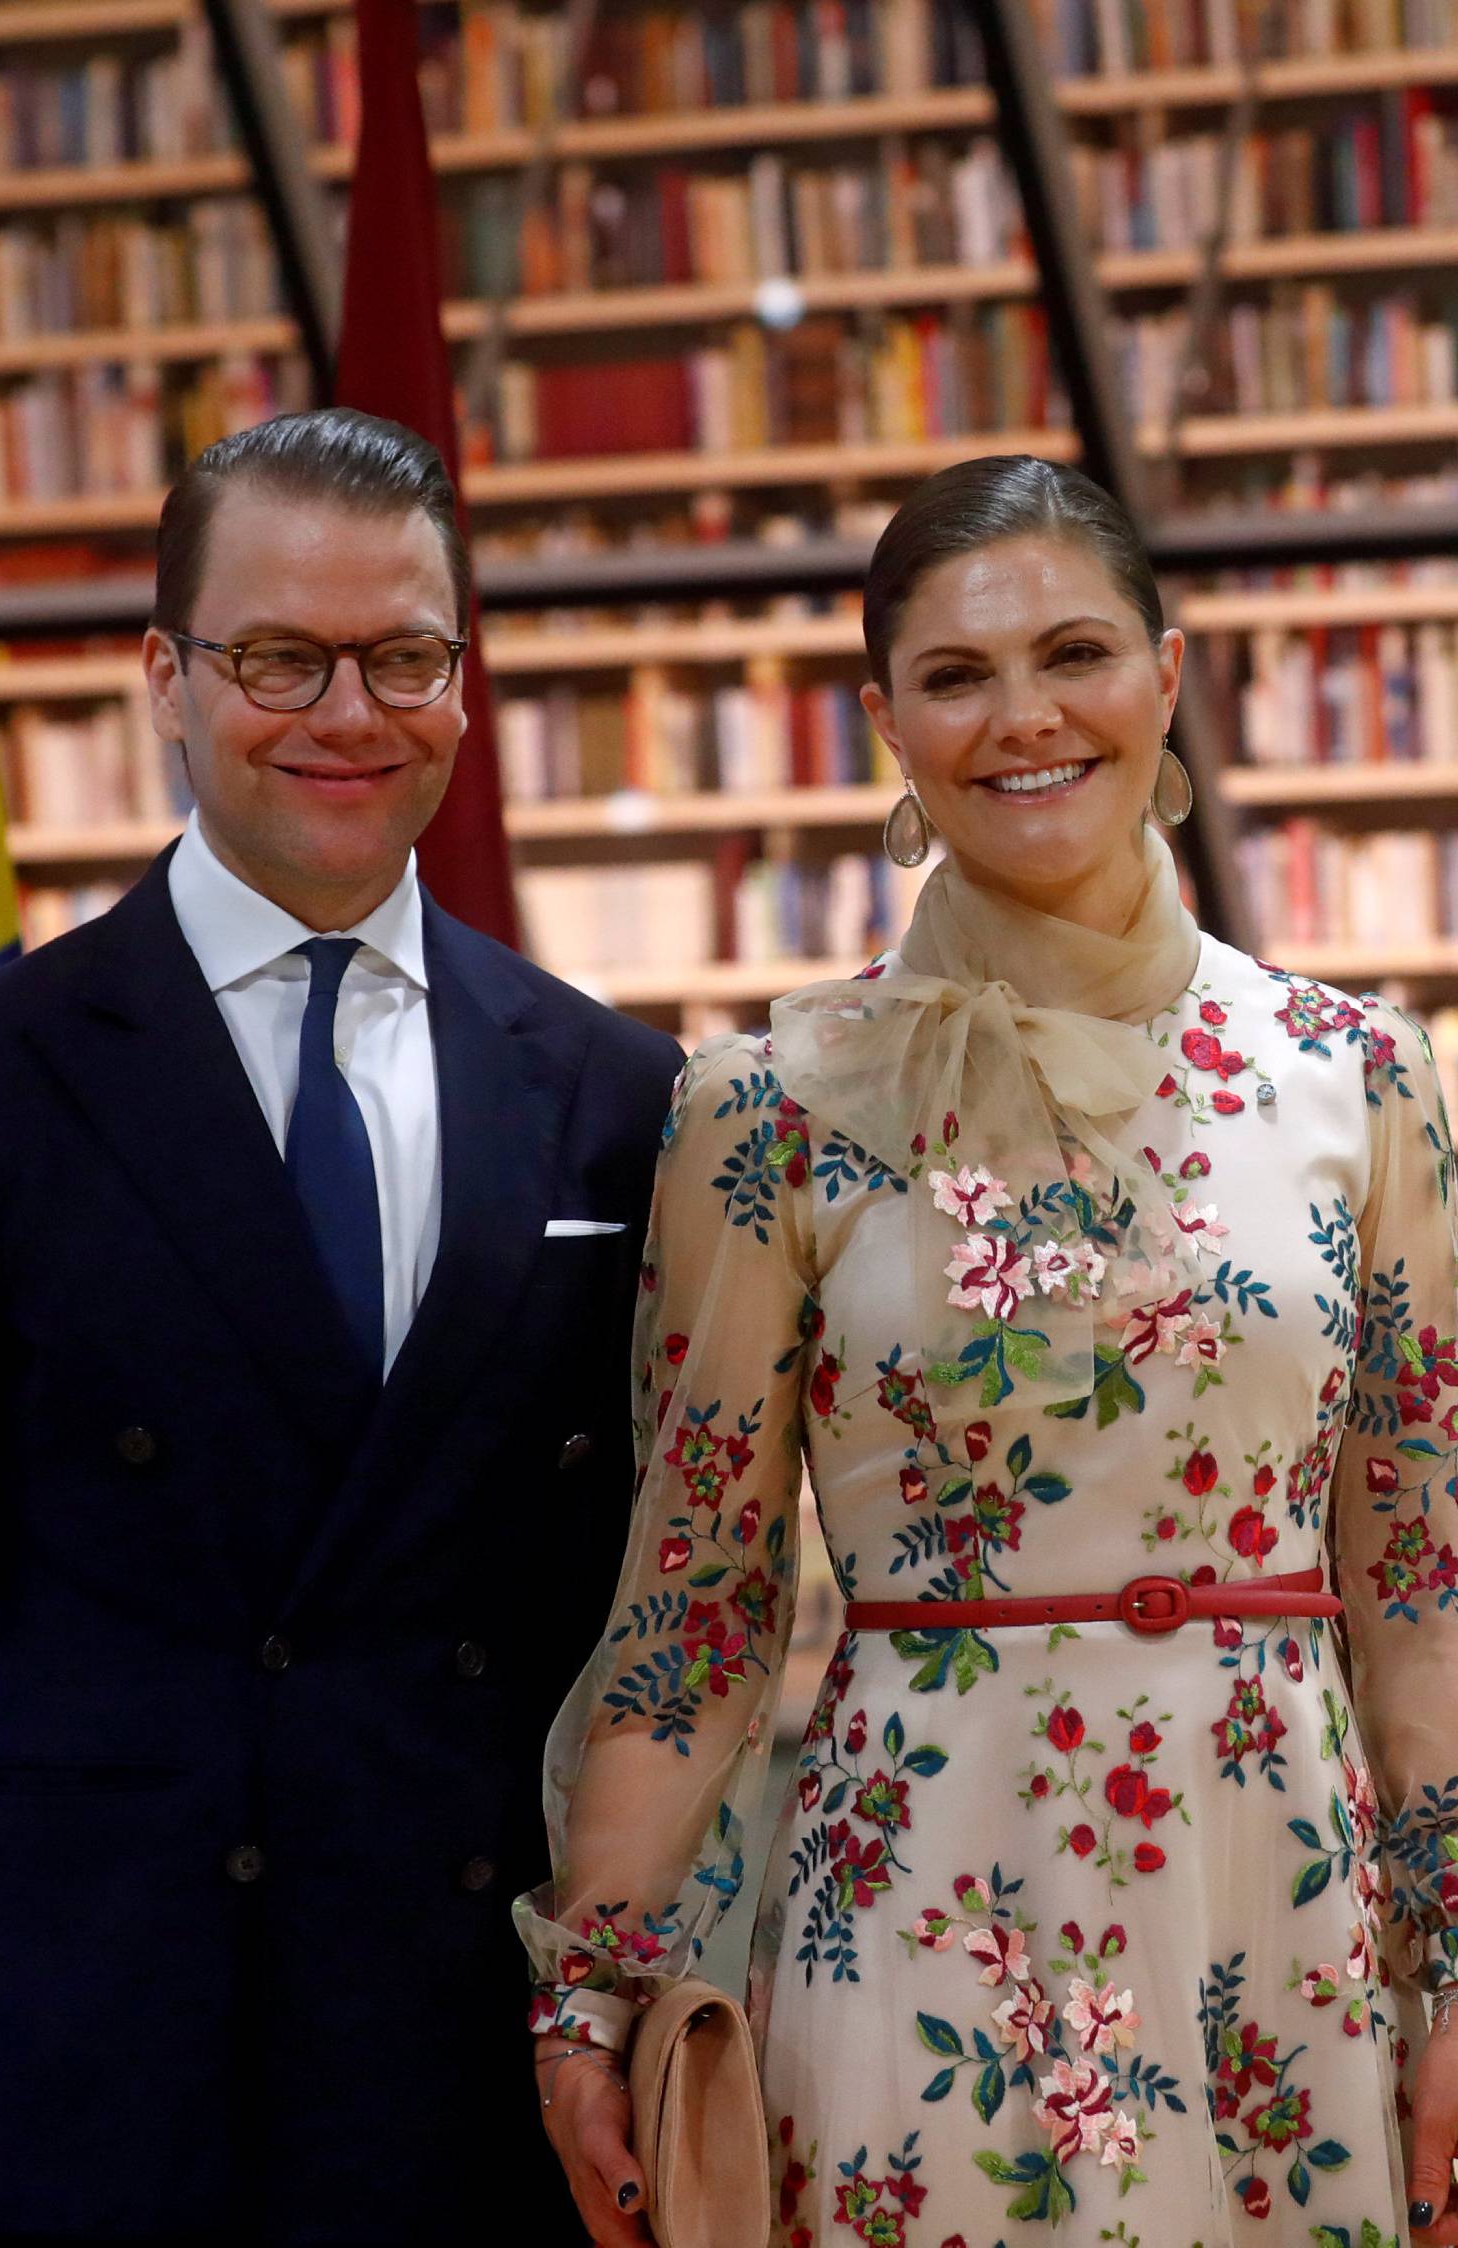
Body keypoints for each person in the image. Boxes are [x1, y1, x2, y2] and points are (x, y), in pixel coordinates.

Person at [0, 405, 681, 2246]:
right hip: (115, 2048)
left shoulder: (615, 1089)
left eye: (404, 655)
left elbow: (626, 1586)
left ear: (462, 682)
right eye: (280, 656)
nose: (350, 711)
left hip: (483, 2053)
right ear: (166, 679)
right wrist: (69, 1888)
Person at [523, 454, 1458, 2245]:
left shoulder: (1357, 1074)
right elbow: (697, 1604)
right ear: (885, 720)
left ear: (1169, 679)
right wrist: (592, 1989)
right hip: (921, 1911)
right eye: (957, 675)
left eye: (1076, 654)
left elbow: (1417, 1573)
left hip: (1289, 1914)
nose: (1024, 717)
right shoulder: (765, 1107)